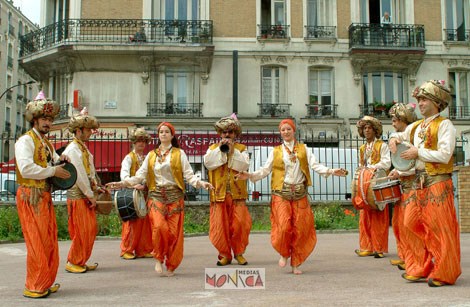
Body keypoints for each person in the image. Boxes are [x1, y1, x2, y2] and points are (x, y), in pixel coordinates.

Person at [237, 119, 347, 274]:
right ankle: (284, 252)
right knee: (283, 227)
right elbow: (265, 170)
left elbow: (315, 165)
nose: (286, 132)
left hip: (300, 194)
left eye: (288, 129)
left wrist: (331, 171)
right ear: (280, 132)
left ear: (294, 130)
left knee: (300, 229)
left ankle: (296, 263)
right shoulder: (275, 151)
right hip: (281, 193)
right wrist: (249, 175)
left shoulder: (304, 149)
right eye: (283, 130)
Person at [106, 122, 212, 277]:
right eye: (161, 131)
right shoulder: (151, 155)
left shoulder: (179, 154)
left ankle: (171, 264)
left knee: (173, 233)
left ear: (172, 135)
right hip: (156, 196)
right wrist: (121, 183)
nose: (163, 134)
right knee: (159, 228)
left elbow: (189, 175)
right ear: (158, 135)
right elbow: (140, 176)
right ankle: (158, 258)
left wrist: (201, 183)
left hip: (175, 197)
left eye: (166, 131)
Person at [389, 80, 461, 287]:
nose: (420, 103)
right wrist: (394, 140)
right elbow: (397, 134)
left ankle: (445, 271)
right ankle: (421, 266)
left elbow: (445, 154)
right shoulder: (415, 127)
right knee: (409, 223)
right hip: (417, 183)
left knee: (440, 228)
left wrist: (418, 152)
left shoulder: (445, 125)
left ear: (436, 102)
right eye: (418, 99)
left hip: (438, 182)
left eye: (424, 99)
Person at [15, 91, 70, 298]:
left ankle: (45, 281)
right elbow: (26, 168)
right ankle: (34, 285)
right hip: (31, 196)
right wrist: (52, 170)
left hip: (44, 197)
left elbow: (53, 162)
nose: (48, 123)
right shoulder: (25, 141)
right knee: (37, 242)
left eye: (50, 119)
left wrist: (60, 160)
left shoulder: (46, 143)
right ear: (35, 120)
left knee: (48, 241)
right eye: (44, 119)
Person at [203, 114, 252, 267]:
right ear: (220, 134)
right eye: (224, 132)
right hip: (219, 195)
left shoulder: (242, 149)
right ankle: (224, 254)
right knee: (220, 227)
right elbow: (209, 164)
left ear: (235, 134)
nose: (227, 135)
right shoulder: (212, 149)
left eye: (230, 132)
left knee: (240, 226)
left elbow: (243, 166)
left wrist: (232, 152)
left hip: (237, 195)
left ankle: (238, 253)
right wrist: (221, 150)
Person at [63, 108, 102, 274]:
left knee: (90, 229)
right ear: (78, 131)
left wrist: (96, 186)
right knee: (82, 231)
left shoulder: (83, 149)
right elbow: (79, 175)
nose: (91, 133)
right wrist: (90, 194)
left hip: (85, 195)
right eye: (88, 130)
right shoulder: (73, 149)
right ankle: (73, 261)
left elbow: (90, 172)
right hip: (78, 196)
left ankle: (81, 259)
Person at [353, 116, 391, 259]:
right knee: (365, 216)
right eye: (364, 128)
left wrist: (372, 168)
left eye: (369, 128)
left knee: (379, 217)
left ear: (375, 130)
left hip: (378, 184)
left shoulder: (383, 145)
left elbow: (386, 163)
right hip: (365, 186)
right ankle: (367, 247)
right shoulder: (362, 148)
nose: (367, 130)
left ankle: (379, 248)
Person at [387, 103, 418, 269]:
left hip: (413, 187)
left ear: (403, 119)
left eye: (395, 120)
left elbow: (417, 164)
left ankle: (412, 258)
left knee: (409, 225)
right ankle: (405, 255)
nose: (393, 123)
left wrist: (401, 173)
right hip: (403, 188)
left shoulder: (413, 137)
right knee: (399, 224)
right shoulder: (399, 138)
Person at [119, 127, 153, 260]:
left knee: (144, 222)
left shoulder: (146, 158)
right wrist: (134, 184)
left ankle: (143, 249)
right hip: (131, 194)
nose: (142, 144)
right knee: (131, 222)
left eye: (144, 141)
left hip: (144, 194)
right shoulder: (129, 158)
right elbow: (124, 176)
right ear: (134, 142)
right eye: (139, 141)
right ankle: (127, 249)